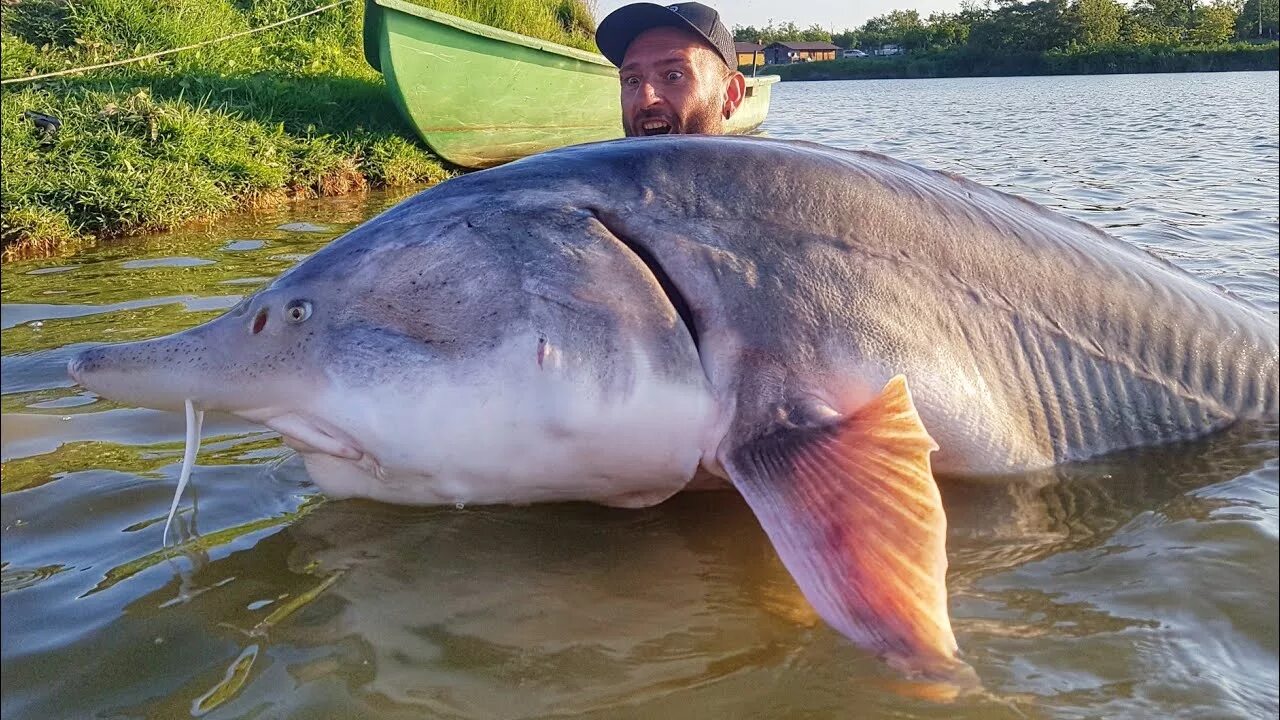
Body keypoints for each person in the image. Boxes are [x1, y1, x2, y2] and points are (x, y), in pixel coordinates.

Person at [595, 2, 746, 137]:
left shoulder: (767, 168)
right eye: (632, 80)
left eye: (674, 76)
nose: (644, 99)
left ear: (730, 93)